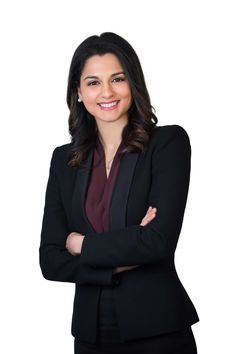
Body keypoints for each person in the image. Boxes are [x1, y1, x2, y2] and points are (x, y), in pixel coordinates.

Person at [39, 32, 199, 354]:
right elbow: (51, 260)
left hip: (159, 331)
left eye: (117, 78)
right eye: (93, 82)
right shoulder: (64, 160)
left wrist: (82, 244)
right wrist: (120, 257)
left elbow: (157, 242)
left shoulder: (167, 144)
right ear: (79, 93)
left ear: (133, 84)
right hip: (91, 336)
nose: (107, 92)